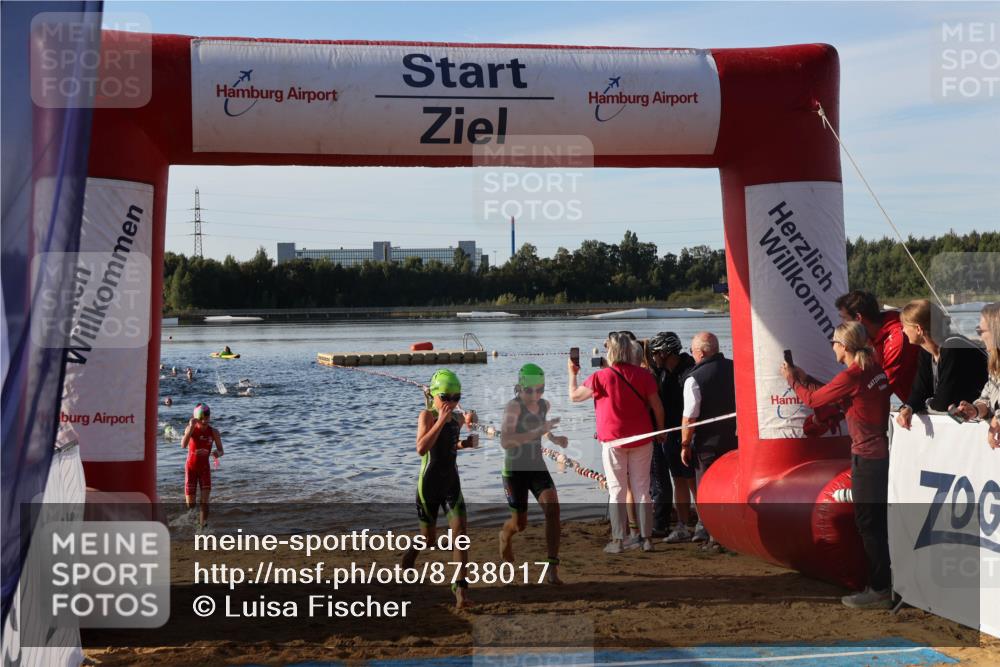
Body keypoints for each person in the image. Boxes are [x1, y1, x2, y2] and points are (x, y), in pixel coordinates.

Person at [780, 321, 892, 609]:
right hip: (879, 453)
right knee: (875, 523)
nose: (831, 347)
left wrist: (793, 381)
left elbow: (815, 399)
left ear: (843, 346)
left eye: (833, 342)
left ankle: (880, 589)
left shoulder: (854, 374)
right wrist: (807, 378)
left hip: (867, 456)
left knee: (868, 524)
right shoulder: (871, 369)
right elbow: (838, 393)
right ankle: (882, 583)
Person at [568, 332, 665, 554]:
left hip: (613, 441)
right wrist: (660, 431)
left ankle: (618, 540)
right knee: (643, 490)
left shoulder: (600, 377)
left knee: (617, 490)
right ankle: (647, 539)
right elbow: (658, 406)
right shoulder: (643, 375)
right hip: (642, 438)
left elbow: (574, 396)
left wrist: (571, 374)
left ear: (610, 352)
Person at [401, 369, 477, 608]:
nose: (451, 403)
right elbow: (422, 448)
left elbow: (450, 445)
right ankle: (410, 555)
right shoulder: (426, 416)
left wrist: (465, 443)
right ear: (434, 395)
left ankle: (461, 589)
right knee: (428, 539)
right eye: (446, 397)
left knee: (460, 534)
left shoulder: (455, 419)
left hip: (451, 482)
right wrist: (441, 420)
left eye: (456, 397)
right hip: (429, 484)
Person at [498, 364, 566, 584]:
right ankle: (505, 535)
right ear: (519, 388)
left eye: (540, 389)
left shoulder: (544, 405)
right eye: (530, 391)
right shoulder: (513, 407)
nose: (535, 395)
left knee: (553, 509)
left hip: (537, 466)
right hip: (514, 470)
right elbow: (506, 441)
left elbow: (542, 427)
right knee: (520, 524)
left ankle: (552, 567)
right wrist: (538, 431)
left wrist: (554, 439)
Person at [680, 332, 737, 549]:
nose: (692, 356)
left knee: (708, 492)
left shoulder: (695, 378)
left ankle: (715, 537)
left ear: (701, 352)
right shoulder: (736, 368)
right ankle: (730, 534)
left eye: (693, 351)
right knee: (730, 489)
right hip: (734, 440)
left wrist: (685, 444)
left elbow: (690, 415)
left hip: (707, 445)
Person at [896, 299, 987, 429]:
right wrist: (908, 408)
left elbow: (944, 401)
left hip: (985, 415)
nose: (903, 330)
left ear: (918, 329)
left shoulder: (953, 347)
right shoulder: (926, 351)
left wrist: (927, 402)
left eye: (904, 325)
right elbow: (919, 390)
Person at [649, 331, 697, 543]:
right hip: (669, 435)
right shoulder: (661, 372)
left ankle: (704, 523)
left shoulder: (689, 370)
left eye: (657, 353)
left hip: (688, 433)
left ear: (667, 352)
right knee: (678, 479)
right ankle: (683, 524)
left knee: (693, 480)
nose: (654, 357)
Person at [836, 290, 919, 402]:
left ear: (858, 318)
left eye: (844, 319)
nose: (842, 324)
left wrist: (841, 403)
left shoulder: (897, 337)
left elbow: (883, 385)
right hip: (912, 403)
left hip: (928, 407)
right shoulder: (868, 336)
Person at [952, 302, 1000, 450]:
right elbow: (987, 398)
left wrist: (996, 419)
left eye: (980, 331)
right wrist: (974, 410)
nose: (979, 336)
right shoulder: (995, 366)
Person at [181, 403, 224, 530]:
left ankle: (203, 527)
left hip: (205, 468)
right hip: (191, 468)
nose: (205, 421)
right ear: (196, 419)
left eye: (207, 418)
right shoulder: (191, 429)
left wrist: (217, 453)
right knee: (191, 503)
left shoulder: (214, 432)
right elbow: (183, 445)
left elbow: (221, 450)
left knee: (204, 501)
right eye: (202, 419)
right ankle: (193, 523)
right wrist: (191, 428)